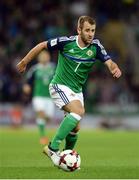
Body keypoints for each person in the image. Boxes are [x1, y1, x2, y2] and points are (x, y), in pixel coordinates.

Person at [17, 16, 122, 167]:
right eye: (87, 30)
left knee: (76, 127)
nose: (91, 34)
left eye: (93, 30)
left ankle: (65, 158)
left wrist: (114, 68)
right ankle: (53, 148)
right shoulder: (66, 42)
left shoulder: (96, 47)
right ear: (79, 30)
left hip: (76, 91)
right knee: (79, 111)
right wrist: (24, 61)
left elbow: (109, 62)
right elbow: (41, 45)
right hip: (59, 86)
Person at [23, 50, 55, 145]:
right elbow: (28, 80)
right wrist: (26, 86)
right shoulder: (35, 69)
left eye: (46, 55)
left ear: (49, 57)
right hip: (38, 96)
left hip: (50, 97)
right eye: (42, 56)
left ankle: (40, 121)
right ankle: (42, 136)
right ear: (38, 58)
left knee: (48, 117)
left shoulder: (54, 68)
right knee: (41, 112)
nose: (44, 57)